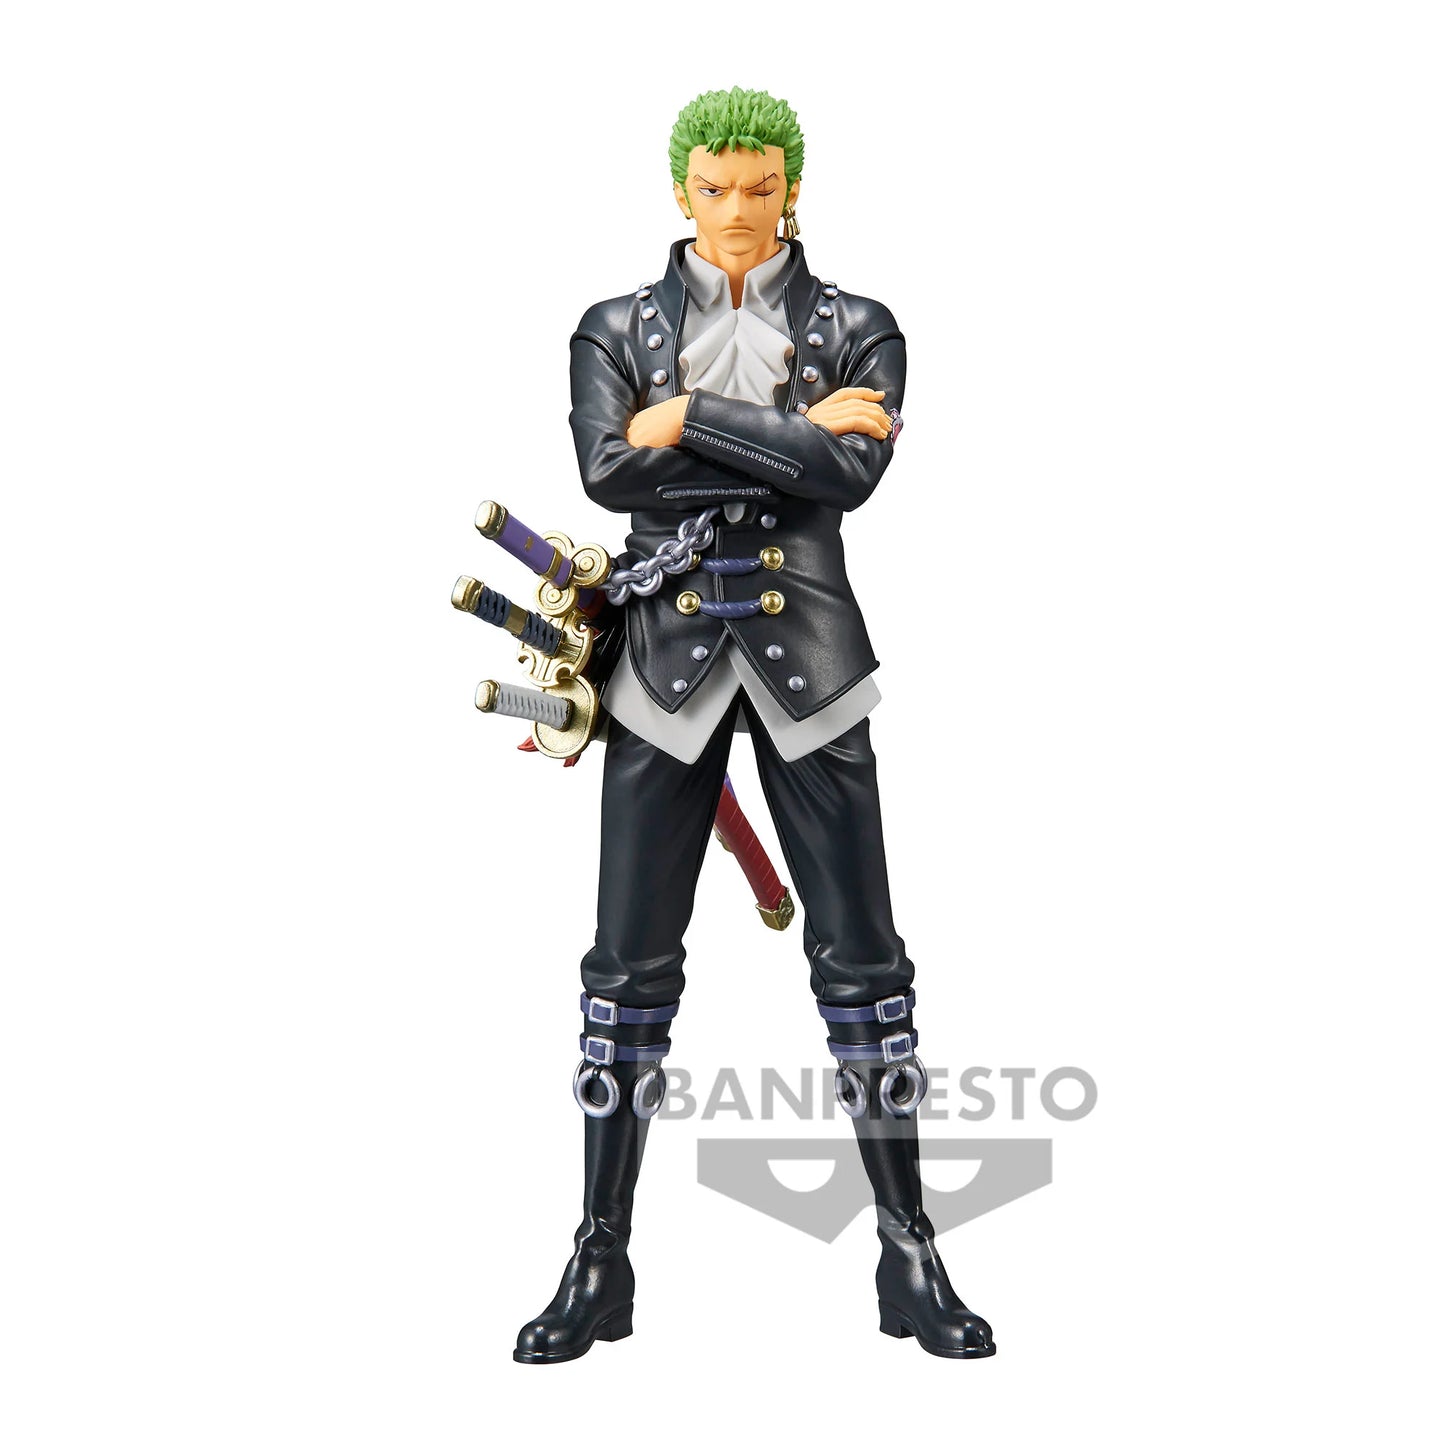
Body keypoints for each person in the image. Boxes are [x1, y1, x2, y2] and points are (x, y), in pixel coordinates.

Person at [513, 87, 996, 1364]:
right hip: (657, 665)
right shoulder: (611, 327)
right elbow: (607, 473)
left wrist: (684, 421)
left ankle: (907, 1246)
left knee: (864, 962)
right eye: (715, 188)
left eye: (761, 188)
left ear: (792, 189)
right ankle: (599, 1252)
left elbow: (851, 475)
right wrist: (781, 435)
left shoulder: (858, 325)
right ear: (680, 190)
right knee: (625, 969)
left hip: (812, 662)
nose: (737, 211)